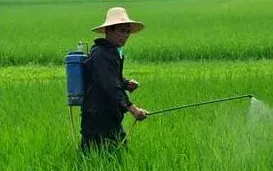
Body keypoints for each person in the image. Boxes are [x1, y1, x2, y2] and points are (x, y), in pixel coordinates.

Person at [80, 7, 148, 152]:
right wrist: (133, 109)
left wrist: (125, 83)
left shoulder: (113, 52)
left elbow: (113, 78)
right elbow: (109, 85)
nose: (126, 36)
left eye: (128, 31)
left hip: (110, 115)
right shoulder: (99, 54)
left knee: (117, 155)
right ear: (108, 31)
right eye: (121, 31)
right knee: (95, 158)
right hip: (97, 118)